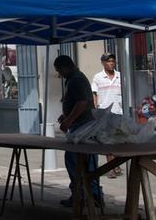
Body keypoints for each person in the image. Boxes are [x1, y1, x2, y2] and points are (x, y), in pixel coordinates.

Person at [54, 55, 103, 209]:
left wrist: (69, 121)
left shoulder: (76, 79)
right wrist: (66, 115)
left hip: (82, 128)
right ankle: (88, 195)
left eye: (59, 71)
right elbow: (78, 102)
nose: (59, 75)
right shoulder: (76, 78)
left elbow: (82, 102)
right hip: (82, 125)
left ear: (64, 68)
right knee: (84, 162)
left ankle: (83, 195)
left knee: (78, 162)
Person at [92, 52, 123, 179]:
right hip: (104, 113)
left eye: (112, 61)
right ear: (103, 63)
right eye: (108, 61)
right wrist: (95, 110)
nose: (111, 63)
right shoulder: (98, 77)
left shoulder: (120, 76)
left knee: (118, 140)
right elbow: (95, 94)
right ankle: (110, 167)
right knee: (107, 141)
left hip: (118, 112)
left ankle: (117, 164)